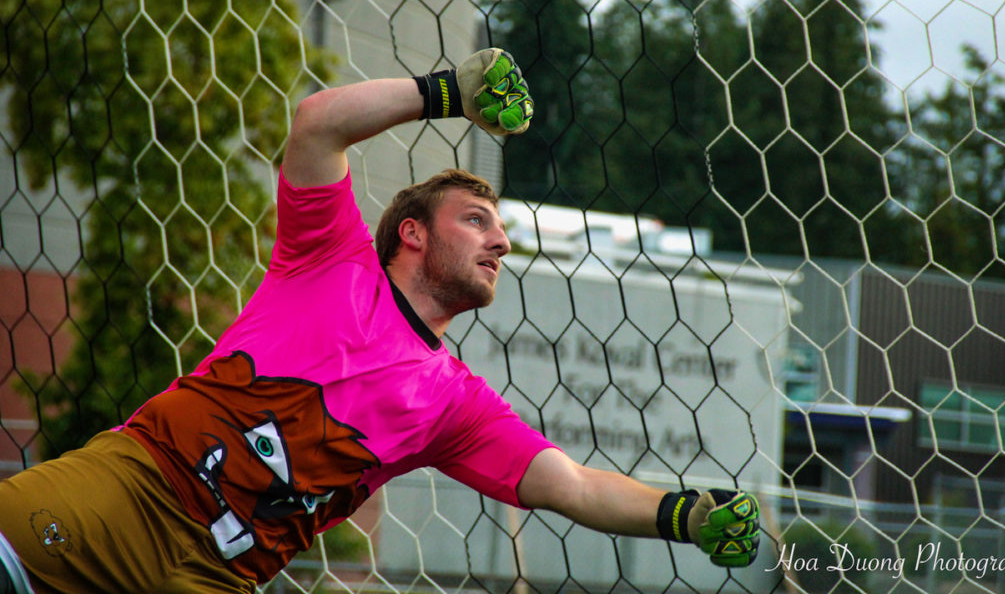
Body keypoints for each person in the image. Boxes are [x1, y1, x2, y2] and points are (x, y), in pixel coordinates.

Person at [0, 49, 760, 593]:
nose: (499, 240)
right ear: (413, 233)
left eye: (500, 229)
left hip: (218, 577)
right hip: (128, 495)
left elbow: (574, 486)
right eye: (475, 220)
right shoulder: (327, 258)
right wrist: (450, 92)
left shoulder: (455, 406)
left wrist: (685, 515)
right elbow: (317, 125)